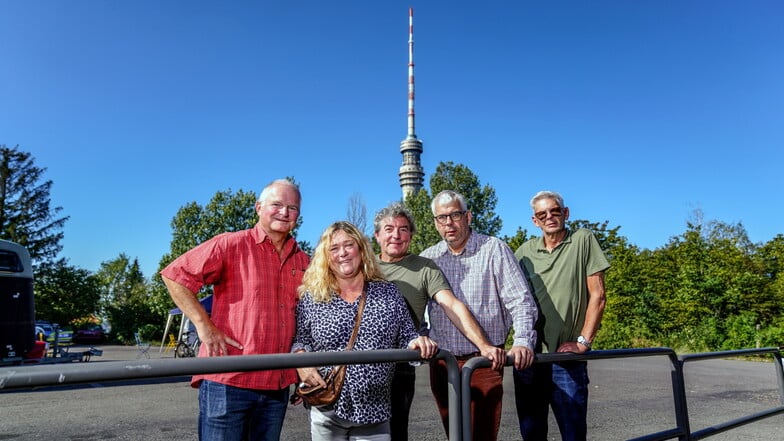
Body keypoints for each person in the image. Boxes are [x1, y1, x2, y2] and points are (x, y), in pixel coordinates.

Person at [161, 179, 309, 441]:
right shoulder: (231, 245)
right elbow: (175, 275)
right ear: (258, 207)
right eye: (276, 205)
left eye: (292, 208)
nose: (285, 213)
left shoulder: (304, 260)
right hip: (228, 379)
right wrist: (203, 325)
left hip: (276, 384)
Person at [292, 221, 437, 441]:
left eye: (349, 245)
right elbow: (300, 340)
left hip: (374, 411)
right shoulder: (313, 297)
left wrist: (419, 342)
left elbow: (408, 335)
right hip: (327, 408)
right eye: (334, 248)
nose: (342, 253)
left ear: (361, 249)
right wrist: (301, 361)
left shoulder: (388, 293)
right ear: (325, 256)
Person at [372, 202, 505, 441]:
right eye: (389, 229)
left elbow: (451, 305)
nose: (396, 235)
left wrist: (484, 345)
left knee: (395, 432)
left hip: (400, 366)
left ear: (411, 235)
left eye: (403, 229)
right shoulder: (362, 266)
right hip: (362, 363)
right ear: (377, 234)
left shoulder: (424, 267)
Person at [420, 190, 538, 441]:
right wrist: (421, 337)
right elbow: (415, 311)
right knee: (454, 434)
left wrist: (522, 341)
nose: (449, 223)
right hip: (443, 363)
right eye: (442, 218)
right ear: (435, 223)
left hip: (484, 361)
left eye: (455, 215)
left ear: (468, 216)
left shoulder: (494, 250)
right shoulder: (428, 259)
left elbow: (521, 301)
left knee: (481, 434)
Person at [513, 190, 610, 441]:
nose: (550, 217)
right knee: (532, 435)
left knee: (573, 435)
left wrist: (583, 342)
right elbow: (507, 298)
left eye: (555, 211)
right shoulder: (523, 252)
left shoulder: (582, 240)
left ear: (565, 213)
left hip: (566, 358)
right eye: (542, 214)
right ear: (535, 221)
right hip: (530, 358)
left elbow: (598, 295)